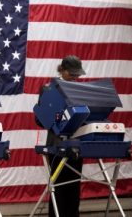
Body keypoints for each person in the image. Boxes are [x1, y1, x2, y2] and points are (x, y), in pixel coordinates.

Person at [36, 55, 86, 217]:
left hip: (76, 142)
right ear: (62, 70)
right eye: (72, 74)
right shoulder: (48, 89)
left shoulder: (81, 91)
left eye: (77, 75)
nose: (75, 77)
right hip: (57, 143)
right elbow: (39, 119)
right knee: (58, 186)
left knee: (73, 185)